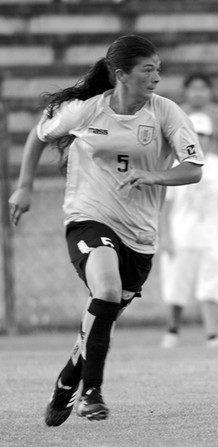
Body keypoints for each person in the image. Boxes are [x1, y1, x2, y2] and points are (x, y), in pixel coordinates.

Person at [7, 34, 204, 425]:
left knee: (100, 315)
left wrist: (153, 175)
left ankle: (67, 381)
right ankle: (90, 393)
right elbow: (38, 134)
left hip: (140, 237)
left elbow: (194, 169)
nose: (156, 78)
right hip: (87, 217)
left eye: (158, 70)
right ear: (120, 75)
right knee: (107, 290)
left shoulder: (166, 113)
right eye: (147, 70)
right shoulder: (86, 111)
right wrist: (25, 186)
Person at [160, 112, 218, 349]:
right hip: (181, 236)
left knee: (212, 287)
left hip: (211, 237)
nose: (200, 139)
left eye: (204, 135)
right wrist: (164, 235)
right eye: (195, 134)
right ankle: (172, 330)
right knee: (176, 287)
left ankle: (212, 334)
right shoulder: (174, 164)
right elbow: (165, 204)